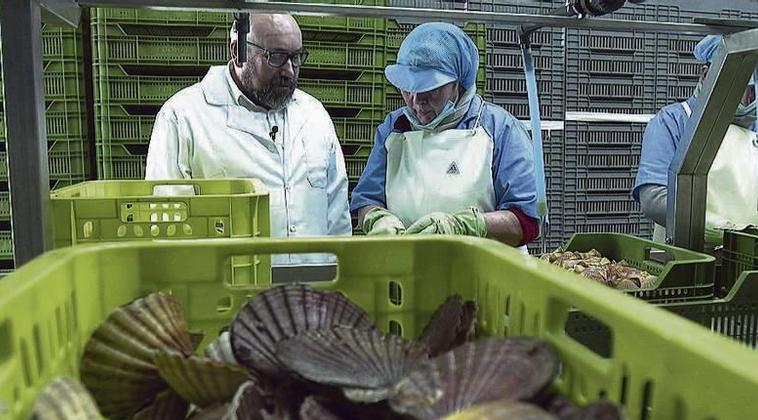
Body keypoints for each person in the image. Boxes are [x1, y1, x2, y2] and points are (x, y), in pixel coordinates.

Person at [145, 14, 351, 264]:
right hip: (229, 295)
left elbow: (337, 215)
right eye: (275, 57)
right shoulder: (183, 117)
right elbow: (169, 228)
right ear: (237, 51)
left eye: (296, 57)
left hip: (312, 293)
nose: (288, 70)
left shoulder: (314, 114)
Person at [350, 22, 539, 248]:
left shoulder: (499, 129)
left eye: (431, 89)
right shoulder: (394, 127)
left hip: (484, 276)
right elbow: (367, 200)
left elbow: (526, 222)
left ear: (458, 83)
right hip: (408, 272)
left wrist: (467, 226)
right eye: (407, 88)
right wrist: (376, 219)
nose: (416, 101)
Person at [633, 34, 758, 248]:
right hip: (690, 257)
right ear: (706, 75)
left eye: (755, 90)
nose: (747, 99)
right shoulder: (673, 121)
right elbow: (653, 196)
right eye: (738, 88)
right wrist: (703, 225)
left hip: (754, 257)